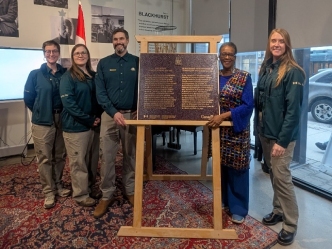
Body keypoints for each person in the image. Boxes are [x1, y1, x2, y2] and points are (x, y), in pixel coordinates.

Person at [256, 28, 305, 246]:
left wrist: (282, 142)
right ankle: (278, 210)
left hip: (281, 137)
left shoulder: (293, 71)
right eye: (273, 40)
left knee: (283, 179)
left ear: (287, 45)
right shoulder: (267, 68)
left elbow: (294, 111)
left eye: (281, 41)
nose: (276, 44)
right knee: (274, 176)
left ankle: (290, 224)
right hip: (266, 132)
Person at [94, 27, 139, 218]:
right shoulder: (104, 64)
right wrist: (113, 112)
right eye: (115, 39)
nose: (118, 42)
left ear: (127, 41)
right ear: (112, 42)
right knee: (107, 157)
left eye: (121, 38)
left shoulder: (138, 62)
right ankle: (107, 195)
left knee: (131, 156)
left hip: (132, 117)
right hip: (109, 117)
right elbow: (100, 93)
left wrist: (141, 107)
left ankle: (130, 190)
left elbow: (144, 87)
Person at [206, 42, 254, 224]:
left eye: (230, 54)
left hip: (236, 129)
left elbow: (248, 105)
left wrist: (224, 116)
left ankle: (239, 208)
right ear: (219, 56)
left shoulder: (244, 77)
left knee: (238, 168)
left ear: (235, 57)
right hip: (218, 130)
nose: (227, 57)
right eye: (223, 54)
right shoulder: (212, 76)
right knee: (221, 166)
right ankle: (225, 201)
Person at [24, 40, 70, 209]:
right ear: (44, 53)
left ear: (58, 53)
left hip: (62, 120)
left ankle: (58, 185)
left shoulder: (65, 73)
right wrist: (39, 111)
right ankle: (48, 192)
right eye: (48, 51)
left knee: (59, 156)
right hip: (42, 122)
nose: (51, 54)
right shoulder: (35, 74)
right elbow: (29, 99)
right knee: (44, 158)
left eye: (54, 51)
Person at [60, 44, 103, 207]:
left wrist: (97, 118)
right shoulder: (68, 77)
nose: (80, 55)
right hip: (76, 127)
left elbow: (98, 99)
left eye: (83, 52)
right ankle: (81, 194)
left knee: (92, 161)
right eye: (77, 53)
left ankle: (90, 187)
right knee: (79, 162)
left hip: (94, 125)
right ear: (72, 56)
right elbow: (69, 103)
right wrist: (88, 119)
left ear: (88, 55)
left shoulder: (93, 75)